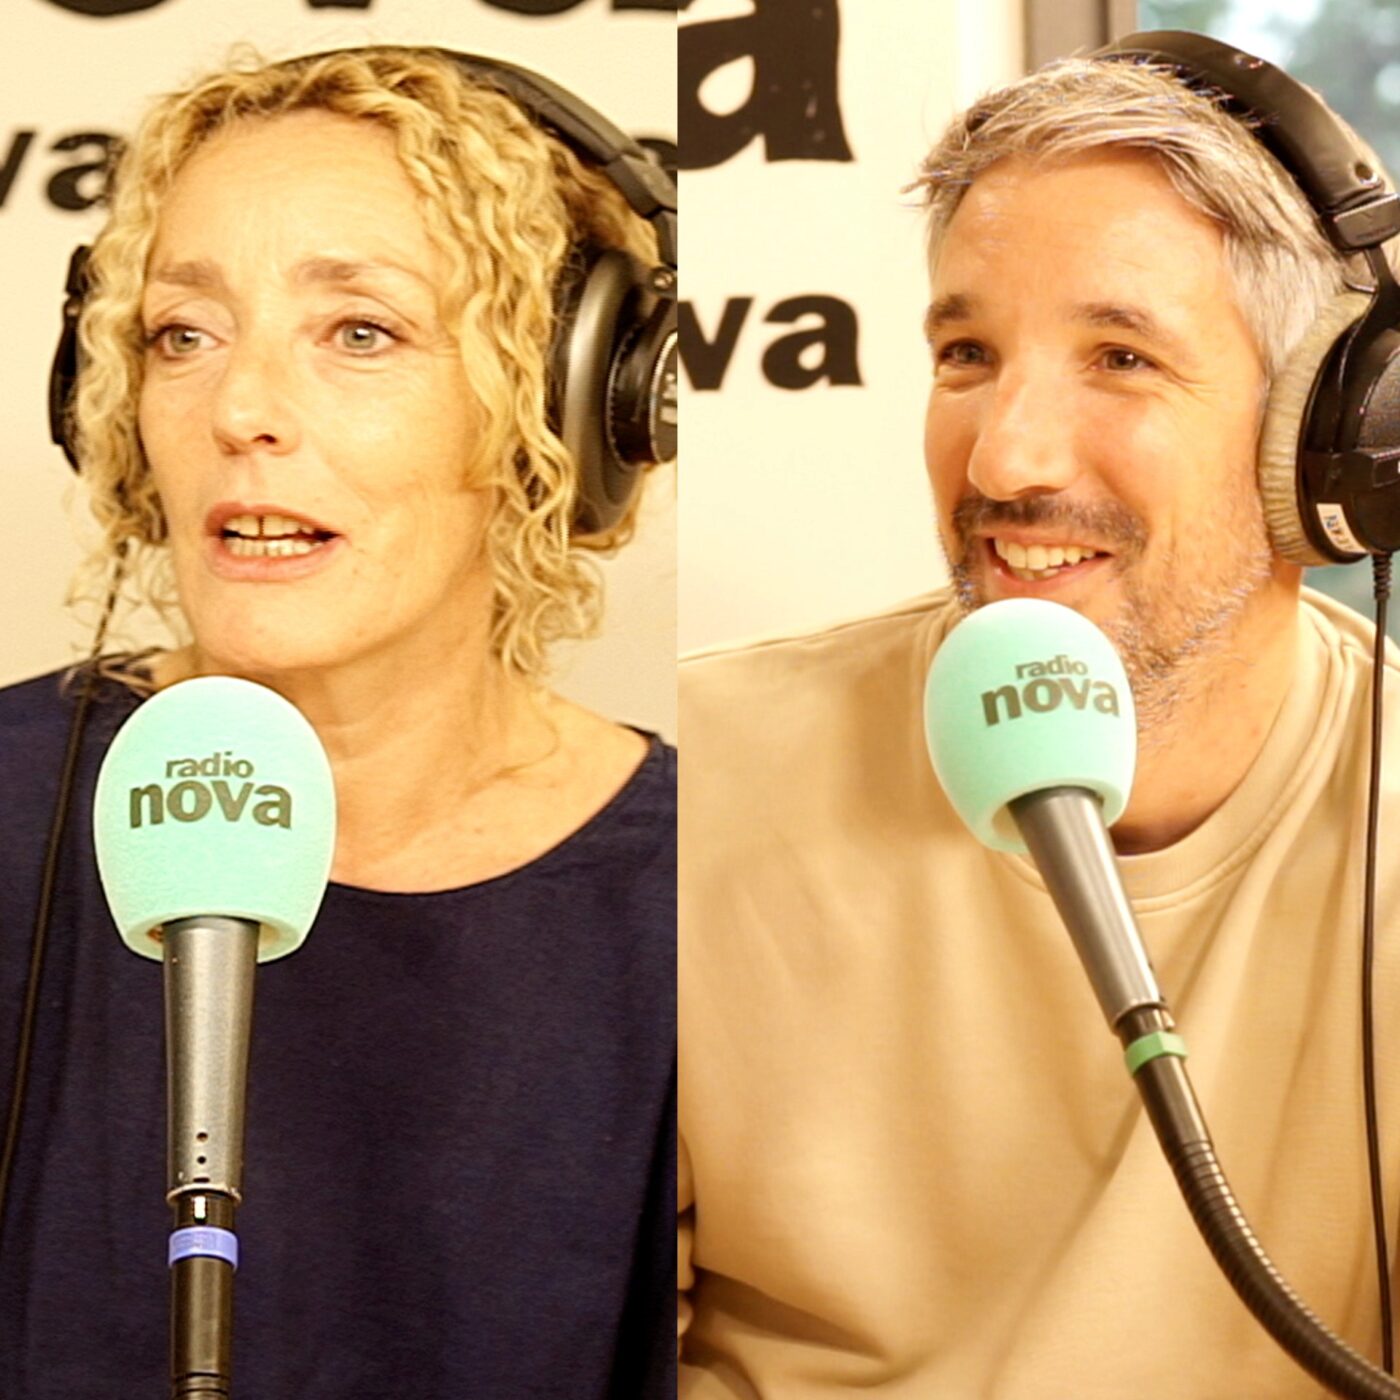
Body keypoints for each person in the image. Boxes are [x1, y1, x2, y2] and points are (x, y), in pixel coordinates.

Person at [679, 44, 1400, 1399]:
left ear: (1325, 434)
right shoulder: (695, 782)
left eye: (1121, 358)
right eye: (968, 354)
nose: (1005, 456)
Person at [0, 46, 674, 1399]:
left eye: (360, 331)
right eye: (184, 335)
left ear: (561, 400)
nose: (240, 412)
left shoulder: (695, 901)